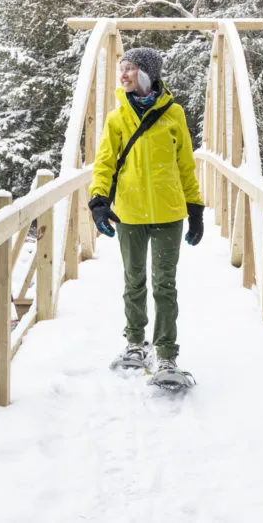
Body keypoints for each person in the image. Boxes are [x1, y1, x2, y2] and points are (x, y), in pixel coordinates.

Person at [87, 47, 204, 381]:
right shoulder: (116, 117)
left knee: (165, 285)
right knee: (134, 282)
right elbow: (105, 163)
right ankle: (136, 344)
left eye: (131, 68)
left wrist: (195, 210)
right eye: (121, 69)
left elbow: (185, 165)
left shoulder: (174, 114)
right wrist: (98, 201)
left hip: (169, 213)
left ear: (148, 73)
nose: (123, 75)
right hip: (129, 212)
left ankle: (167, 355)